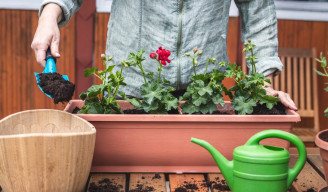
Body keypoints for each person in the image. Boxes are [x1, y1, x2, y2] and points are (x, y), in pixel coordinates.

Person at [31, 0, 298, 111]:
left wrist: (261, 82)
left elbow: (258, 8)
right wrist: (50, 13)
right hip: (131, 88)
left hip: (203, 92)